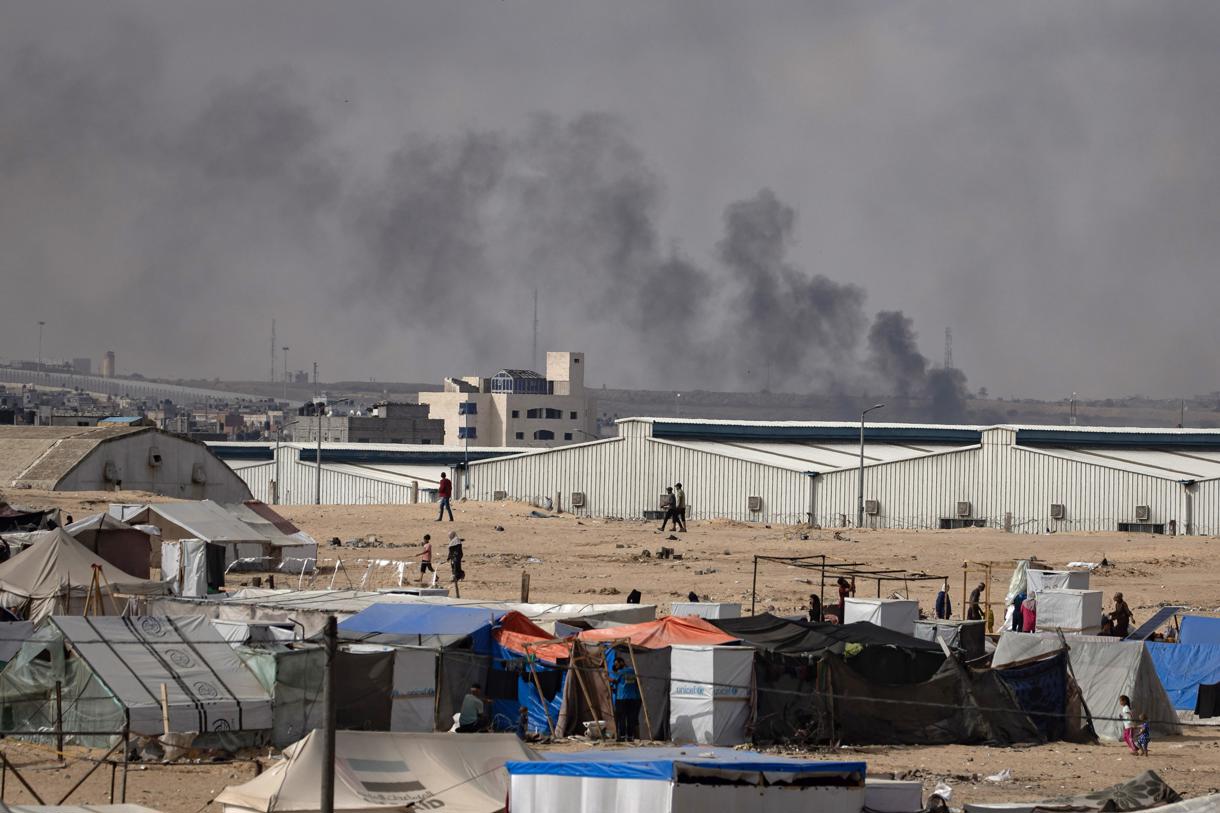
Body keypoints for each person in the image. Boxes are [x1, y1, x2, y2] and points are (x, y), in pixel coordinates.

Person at [610, 654, 641, 741]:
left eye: (617, 664)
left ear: (622, 663)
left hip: (622, 699)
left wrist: (607, 677)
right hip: (633, 699)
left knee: (622, 718)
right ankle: (630, 736)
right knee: (631, 718)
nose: (616, 666)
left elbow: (614, 680)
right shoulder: (632, 671)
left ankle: (623, 737)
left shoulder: (620, 672)